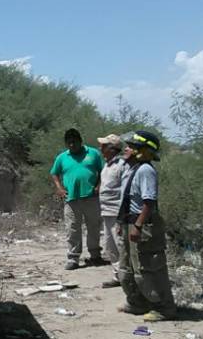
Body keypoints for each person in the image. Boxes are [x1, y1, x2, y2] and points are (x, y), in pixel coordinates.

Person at [117, 130, 177, 322]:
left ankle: (164, 308)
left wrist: (138, 226)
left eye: (131, 147)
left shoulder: (145, 170)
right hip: (129, 222)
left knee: (149, 268)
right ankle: (137, 303)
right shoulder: (132, 169)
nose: (126, 149)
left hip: (142, 225)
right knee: (126, 268)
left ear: (142, 151)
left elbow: (149, 201)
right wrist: (123, 224)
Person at [50, 128, 105, 270]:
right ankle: (73, 258)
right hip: (71, 199)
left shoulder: (93, 153)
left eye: (74, 142)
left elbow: (103, 171)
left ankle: (95, 256)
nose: (72, 145)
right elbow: (54, 173)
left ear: (81, 141)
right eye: (69, 143)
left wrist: (99, 185)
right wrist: (60, 188)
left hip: (91, 197)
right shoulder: (62, 157)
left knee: (93, 227)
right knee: (72, 229)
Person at [96, 133, 128, 288]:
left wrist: (123, 215)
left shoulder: (121, 165)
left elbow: (124, 190)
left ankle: (126, 277)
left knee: (120, 245)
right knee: (110, 246)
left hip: (117, 212)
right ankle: (118, 276)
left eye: (103, 146)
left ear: (112, 148)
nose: (100, 148)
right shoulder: (106, 165)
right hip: (106, 211)